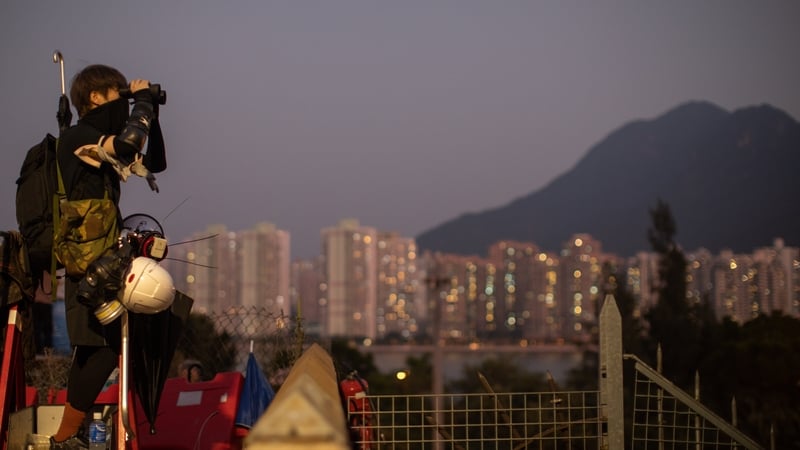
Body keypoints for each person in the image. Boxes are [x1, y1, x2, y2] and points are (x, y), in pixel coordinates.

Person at [50, 64, 166, 450]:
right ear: (95, 98)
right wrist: (143, 103)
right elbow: (129, 144)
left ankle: (65, 435)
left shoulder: (95, 139)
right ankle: (64, 437)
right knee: (106, 346)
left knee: (95, 346)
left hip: (99, 255)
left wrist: (153, 113)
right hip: (87, 260)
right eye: (119, 94)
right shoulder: (79, 138)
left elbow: (155, 162)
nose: (124, 102)